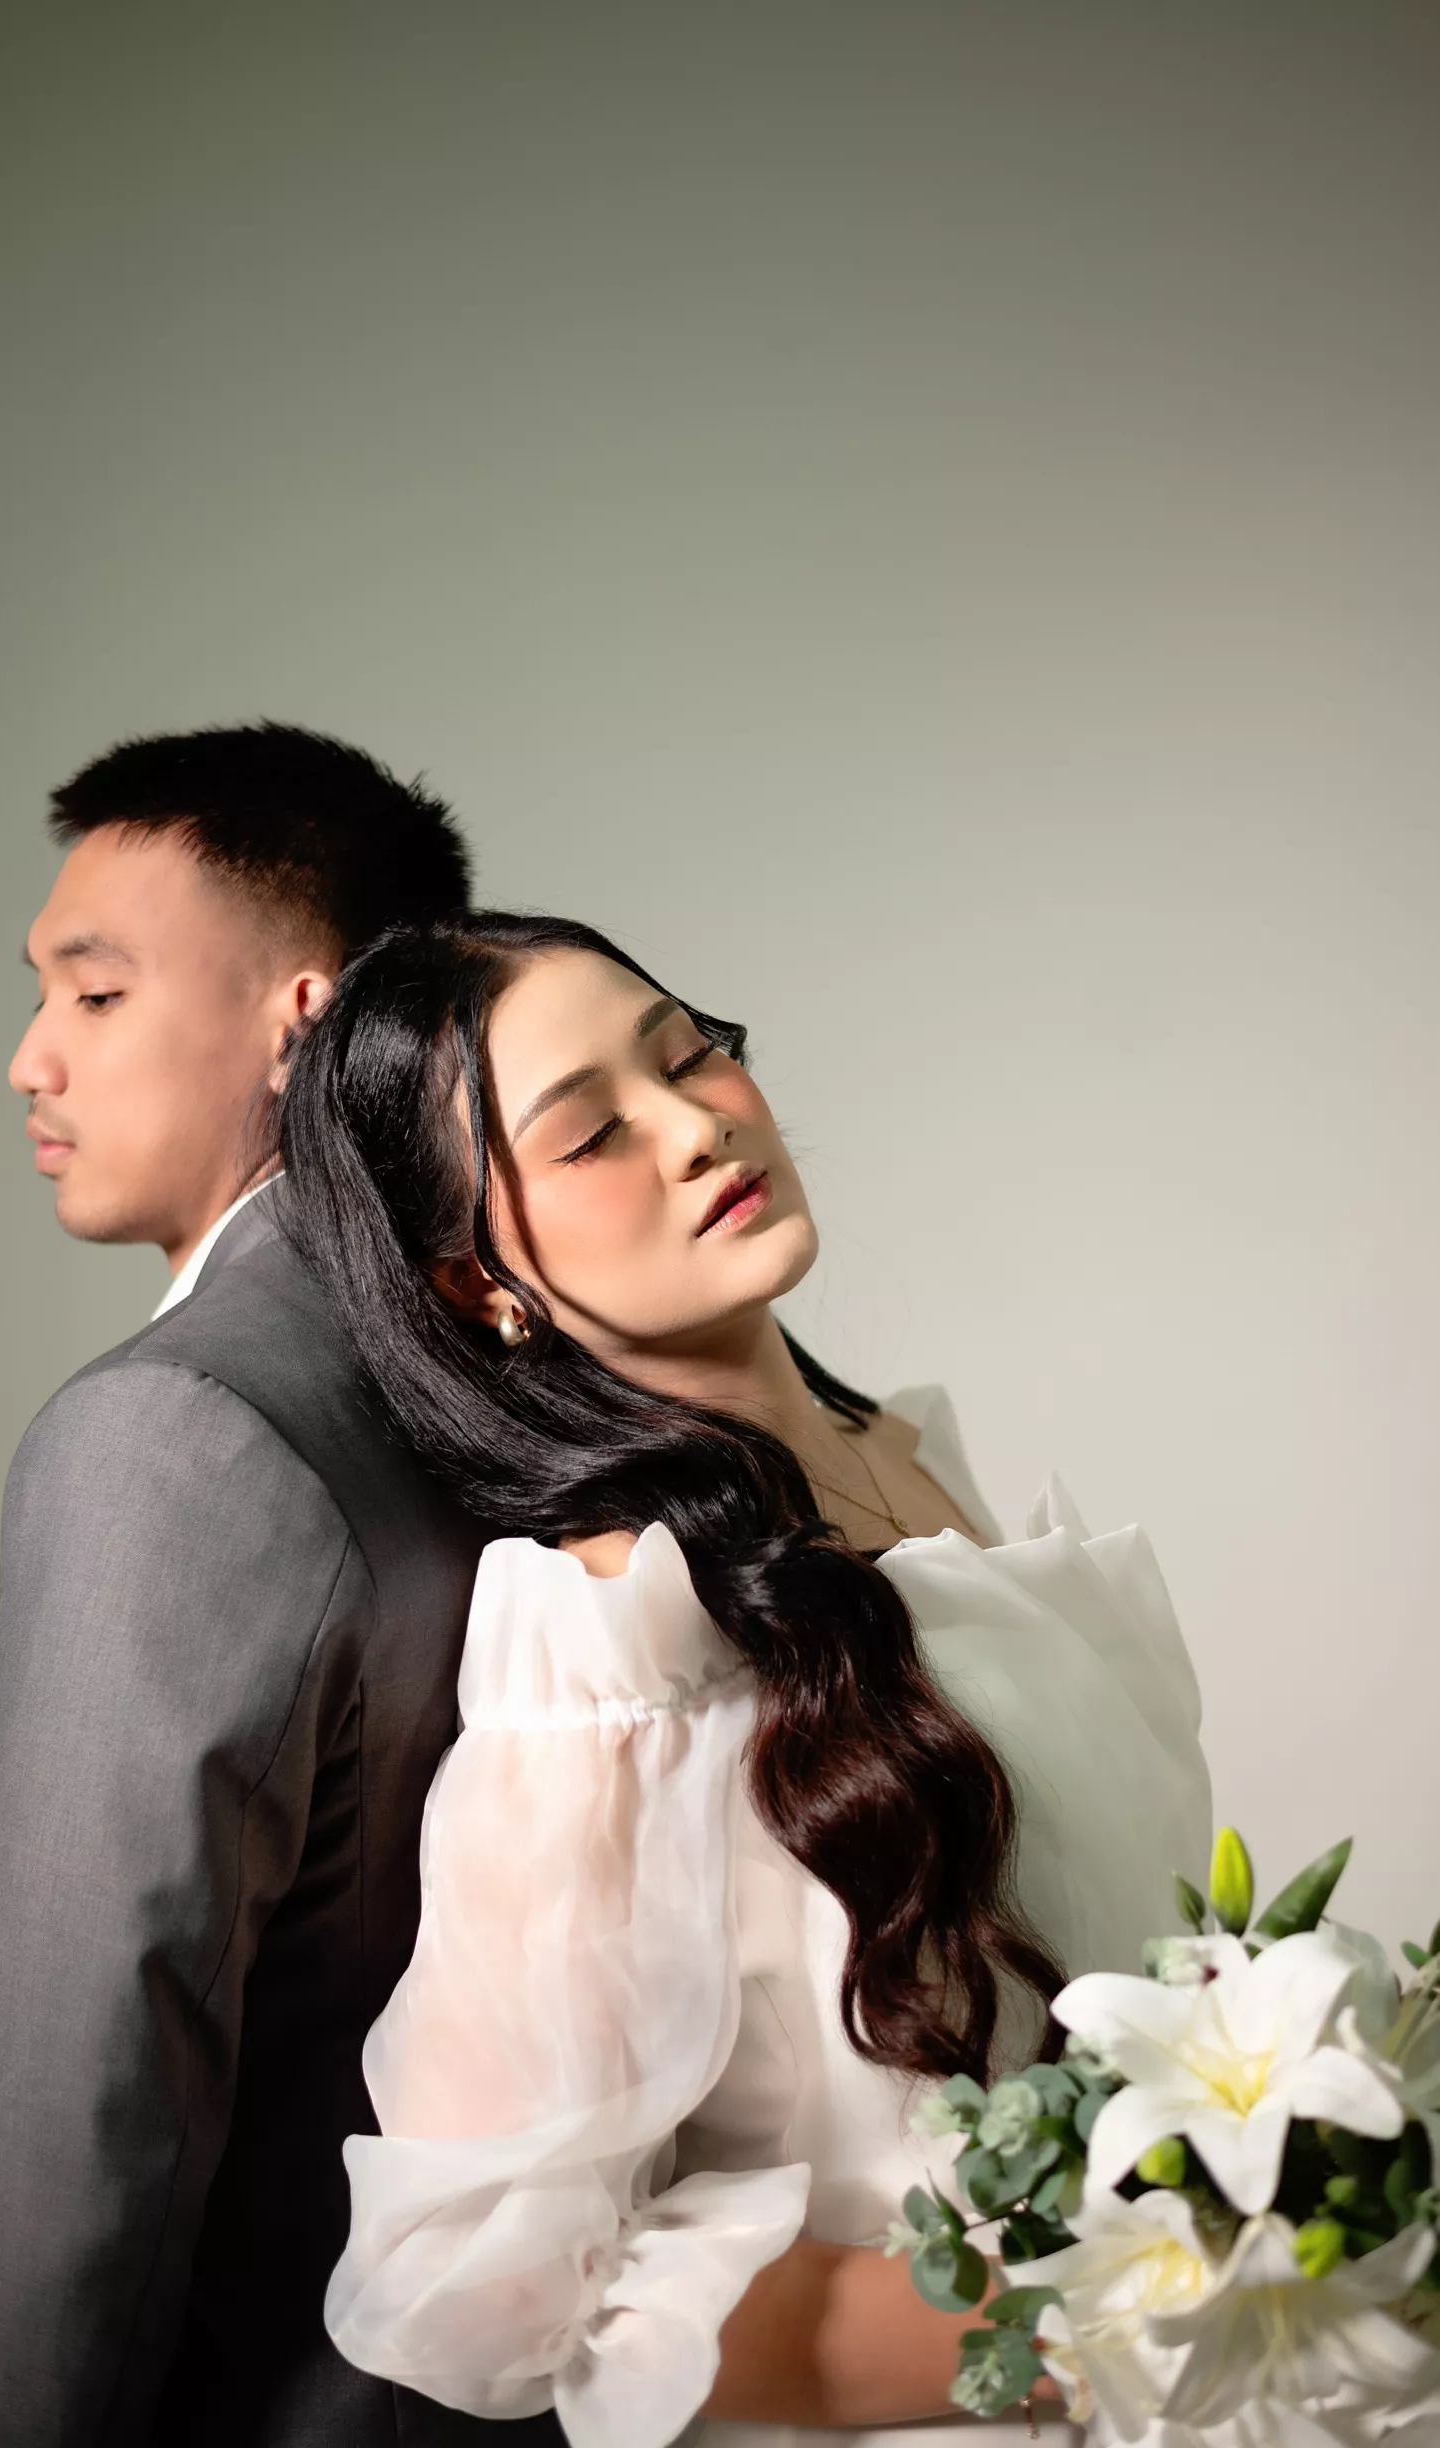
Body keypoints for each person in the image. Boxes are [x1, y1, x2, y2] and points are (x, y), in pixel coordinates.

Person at [276, 910, 1214, 2446]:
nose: (695, 1123)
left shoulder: (907, 1459)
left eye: (689, 1053)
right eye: (590, 1134)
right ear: (472, 1282)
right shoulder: (613, 1650)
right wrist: (1119, 2316)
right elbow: (502, 2286)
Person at [0, 726, 564, 2446]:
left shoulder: (177, 1430)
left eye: (96, 992)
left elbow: (80, 2111)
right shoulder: (515, 1358)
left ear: (300, 1018)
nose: (31, 1057)